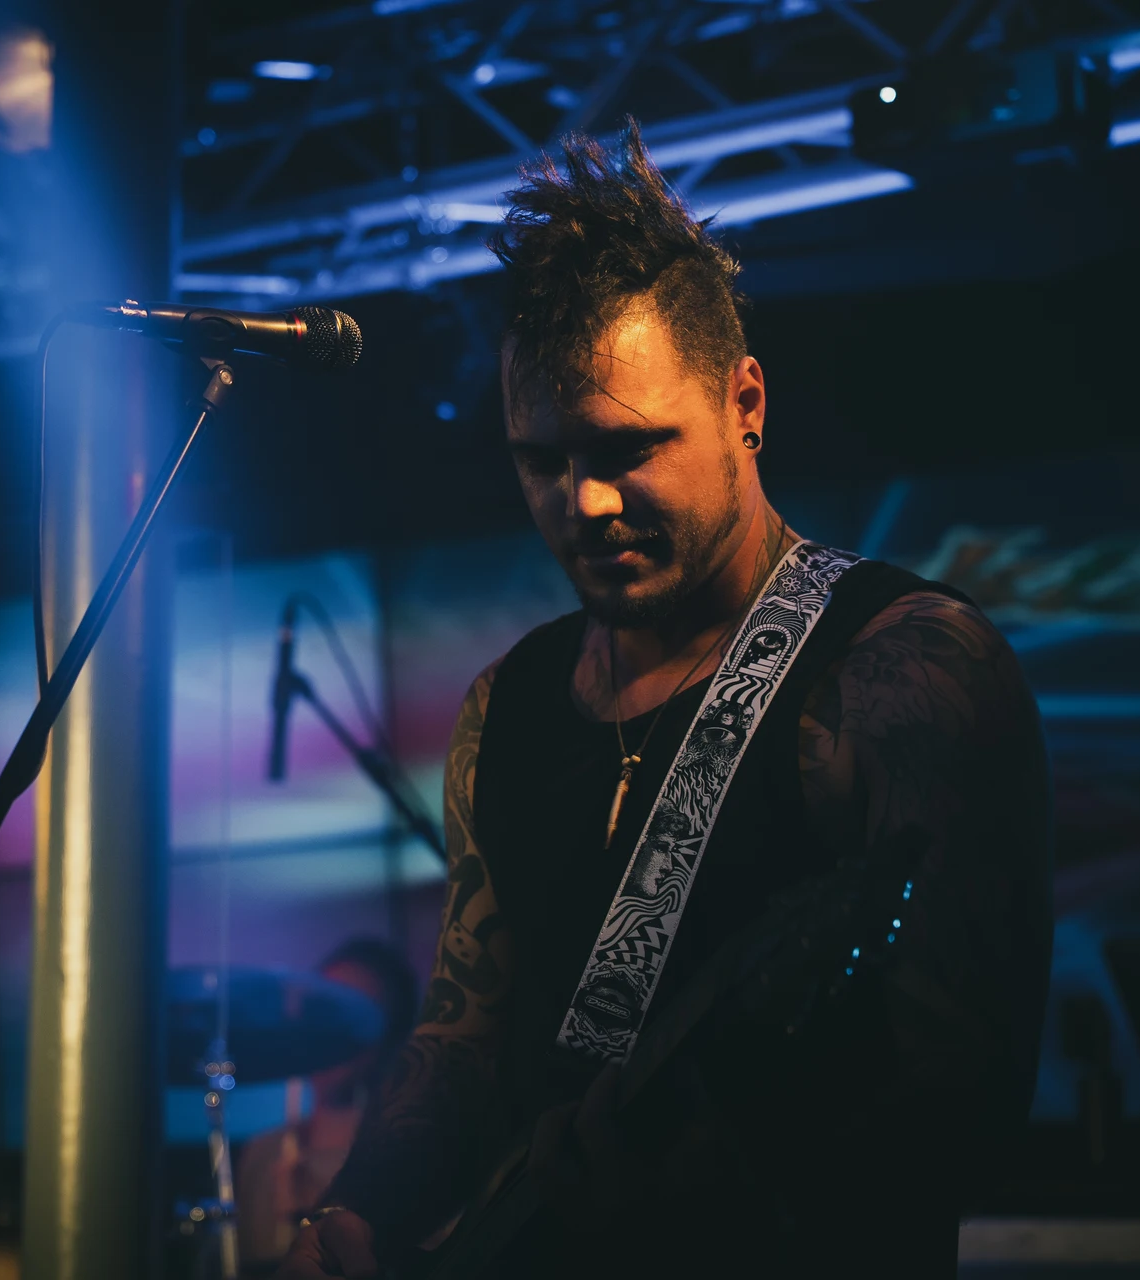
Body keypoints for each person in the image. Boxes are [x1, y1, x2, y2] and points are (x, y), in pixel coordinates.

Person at [278, 124, 1053, 1278]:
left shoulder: (903, 670)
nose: (583, 501)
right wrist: (353, 1212)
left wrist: (712, 1198)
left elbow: (968, 1100)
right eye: (540, 459)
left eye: (628, 447)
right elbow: (465, 1037)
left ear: (745, 401)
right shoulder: (509, 706)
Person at [236, 937, 418, 1270]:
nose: (333, 1032)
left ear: (391, 1033)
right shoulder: (262, 1152)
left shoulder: (403, 1154)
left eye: (356, 1013)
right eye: (323, 1011)